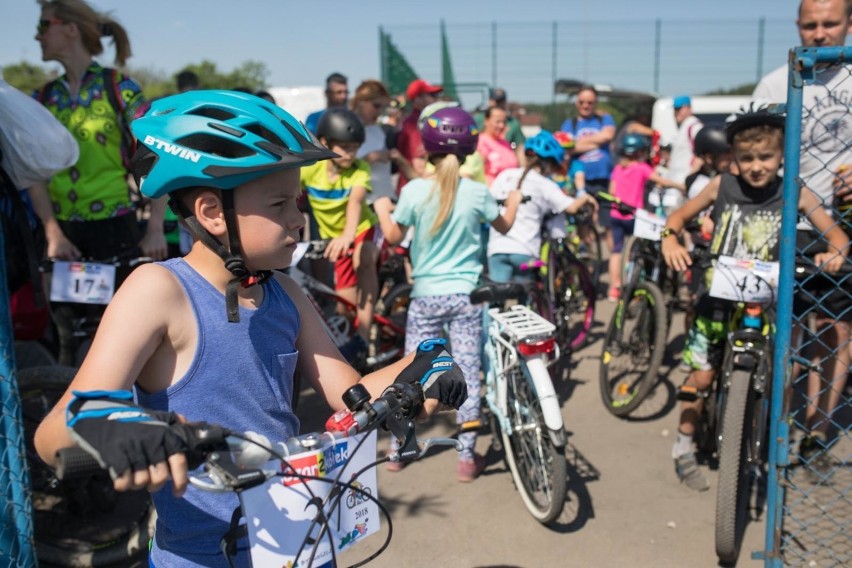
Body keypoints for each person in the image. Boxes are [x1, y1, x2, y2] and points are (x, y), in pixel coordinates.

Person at [33, 90, 469, 567]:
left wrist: (423, 361)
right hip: (199, 555)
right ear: (212, 212)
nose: (298, 220)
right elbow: (53, 435)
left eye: (298, 202)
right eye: (280, 203)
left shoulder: (286, 293)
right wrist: (116, 428)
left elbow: (352, 393)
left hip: (297, 541)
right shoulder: (158, 291)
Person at [661, 104, 849, 491]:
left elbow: (837, 237)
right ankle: (683, 446)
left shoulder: (792, 191)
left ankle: (765, 444)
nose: (757, 166)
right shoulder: (721, 186)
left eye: (766, 156)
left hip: (768, 304)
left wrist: (833, 253)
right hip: (718, 297)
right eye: (747, 158)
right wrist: (670, 241)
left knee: (778, 375)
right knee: (701, 376)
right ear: (735, 158)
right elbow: (676, 219)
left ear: (782, 156)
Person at [372, 106, 524, 482]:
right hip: (466, 297)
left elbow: (393, 237)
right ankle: (468, 459)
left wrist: (380, 209)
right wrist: (515, 201)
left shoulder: (414, 190)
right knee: (468, 372)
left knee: (412, 375)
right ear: (470, 146)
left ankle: (398, 450)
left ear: (428, 146)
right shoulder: (476, 192)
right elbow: (503, 226)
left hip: (425, 296)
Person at [30, 0, 166, 366]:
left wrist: (155, 227)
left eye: (44, 26)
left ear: (70, 29)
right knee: (66, 341)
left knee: (119, 338)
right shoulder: (43, 98)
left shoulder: (119, 88)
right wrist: (52, 231)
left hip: (115, 230)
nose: (36, 35)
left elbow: (156, 153)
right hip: (63, 237)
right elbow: (33, 170)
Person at [753, 0, 852, 475]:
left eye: (829, 23)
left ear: (849, 24)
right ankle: (776, 427)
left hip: (845, 233)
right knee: (787, 336)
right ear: (797, 26)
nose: (818, 34)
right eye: (809, 24)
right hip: (790, 230)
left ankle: (817, 432)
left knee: (836, 334)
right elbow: (750, 150)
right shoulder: (777, 83)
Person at [301, 107, 379, 348]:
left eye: (355, 148)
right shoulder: (311, 169)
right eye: (344, 148)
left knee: (363, 258)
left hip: (359, 230)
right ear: (325, 143)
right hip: (334, 238)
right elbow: (290, 192)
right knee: (344, 305)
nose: (351, 154)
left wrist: (348, 235)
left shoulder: (360, 169)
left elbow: (355, 202)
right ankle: (351, 337)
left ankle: (365, 335)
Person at [486, 130, 598, 284]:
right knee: (525, 301)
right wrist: (584, 197)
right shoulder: (545, 184)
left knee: (495, 300)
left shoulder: (505, 175)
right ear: (549, 164)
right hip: (525, 249)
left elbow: (489, 201)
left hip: (496, 248)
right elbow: (571, 207)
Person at [607, 134, 684, 301]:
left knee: (617, 251)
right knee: (639, 249)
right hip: (634, 215)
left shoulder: (618, 168)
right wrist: (679, 186)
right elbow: (660, 181)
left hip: (616, 213)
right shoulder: (641, 167)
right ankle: (638, 280)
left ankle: (615, 287)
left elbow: (612, 191)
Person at [559, 85, 617, 239]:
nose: (586, 106)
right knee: (583, 222)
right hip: (581, 182)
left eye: (590, 102)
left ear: (595, 103)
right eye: (582, 102)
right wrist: (596, 141)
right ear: (577, 103)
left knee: (608, 223)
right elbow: (568, 148)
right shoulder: (569, 124)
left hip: (604, 179)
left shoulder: (604, 118)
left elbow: (607, 136)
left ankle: (611, 259)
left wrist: (579, 142)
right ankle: (588, 258)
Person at [350, 79, 414, 203]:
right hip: (361, 204)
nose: (379, 112)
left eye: (382, 107)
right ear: (360, 102)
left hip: (383, 201)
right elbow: (338, 168)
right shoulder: (346, 130)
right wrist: (370, 158)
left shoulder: (377, 131)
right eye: (375, 106)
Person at [395, 78, 442, 192]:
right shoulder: (415, 123)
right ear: (418, 99)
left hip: (414, 186)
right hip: (418, 188)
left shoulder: (413, 120)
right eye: (432, 95)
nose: (436, 99)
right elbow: (420, 165)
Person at [475, 87, 526, 165]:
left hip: (506, 161)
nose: (498, 104)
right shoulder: (479, 119)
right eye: (496, 101)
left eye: (501, 101)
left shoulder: (513, 123)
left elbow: (518, 147)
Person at [477, 106, 519, 186]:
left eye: (504, 122)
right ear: (486, 121)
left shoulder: (506, 143)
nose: (501, 125)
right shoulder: (480, 142)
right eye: (498, 122)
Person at [667, 95, 704, 185]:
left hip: (686, 184)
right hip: (677, 184)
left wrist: (689, 180)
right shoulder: (684, 126)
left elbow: (702, 155)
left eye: (679, 109)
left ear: (689, 108)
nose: (676, 112)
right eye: (675, 109)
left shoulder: (694, 126)